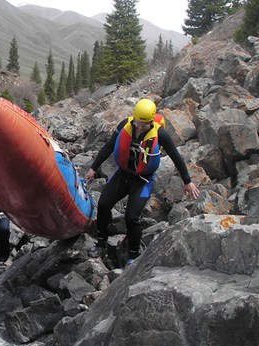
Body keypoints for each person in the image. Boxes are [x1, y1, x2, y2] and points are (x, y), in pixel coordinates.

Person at [85, 98, 199, 266]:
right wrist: (93, 168)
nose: (140, 126)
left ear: (151, 121)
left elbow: (176, 157)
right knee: (103, 205)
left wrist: (187, 181)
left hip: (142, 180)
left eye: (145, 124)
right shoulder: (125, 125)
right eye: (138, 122)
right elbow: (109, 146)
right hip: (122, 175)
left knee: (132, 217)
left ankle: (133, 255)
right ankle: (101, 243)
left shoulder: (160, 134)